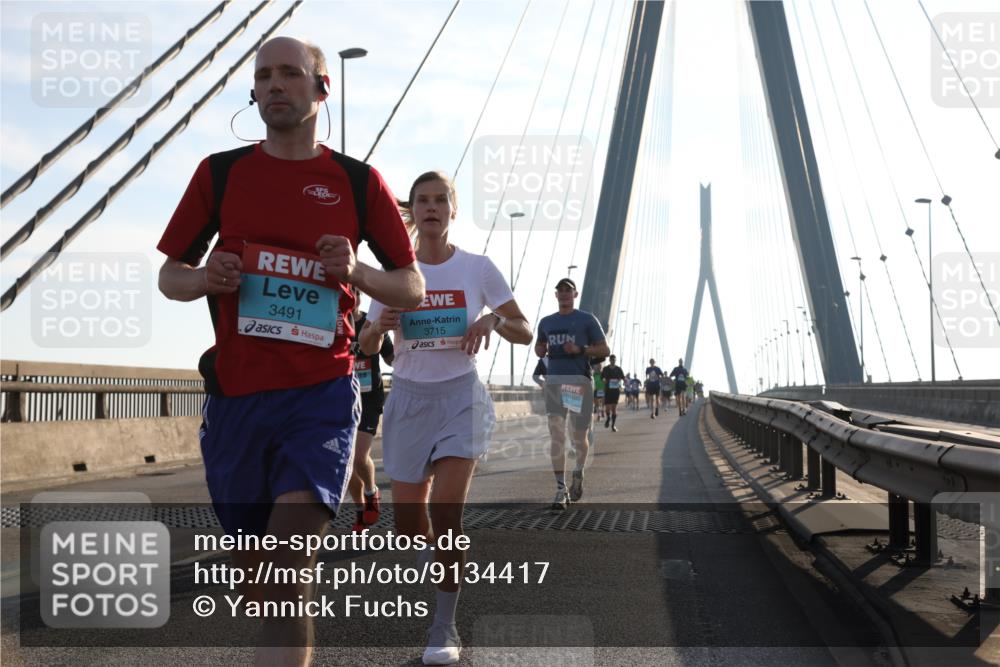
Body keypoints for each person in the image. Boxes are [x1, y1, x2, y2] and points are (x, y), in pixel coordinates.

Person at [157, 37, 424, 666]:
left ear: (320, 89)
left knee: (284, 569)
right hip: (236, 401)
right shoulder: (221, 174)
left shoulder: (357, 182)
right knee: (263, 583)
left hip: (321, 397)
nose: (276, 85)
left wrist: (356, 272)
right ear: (254, 92)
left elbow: (409, 286)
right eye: (264, 77)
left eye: (290, 75)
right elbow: (171, 275)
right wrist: (205, 278)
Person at [361, 171, 532, 665]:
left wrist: (493, 320)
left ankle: (444, 628)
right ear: (410, 211)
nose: (431, 208)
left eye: (441, 200)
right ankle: (434, 559)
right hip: (409, 401)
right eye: (422, 201)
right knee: (411, 528)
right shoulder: (394, 274)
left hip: (460, 396)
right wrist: (380, 327)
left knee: (448, 514)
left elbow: (523, 327)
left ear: (453, 210)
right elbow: (366, 346)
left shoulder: (478, 269)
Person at [536, 278, 611, 510]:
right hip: (555, 384)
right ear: (556, 295)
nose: (565, 294)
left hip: (578, 383)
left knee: (580, 438)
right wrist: (540, 349)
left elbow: (605, 350)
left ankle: (578, 469)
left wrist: (581, 350)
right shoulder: (546, 322)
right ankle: (561, 489)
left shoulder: (587, 319)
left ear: (575, 295)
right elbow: (540, 346)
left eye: (569, 291)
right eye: (561, 291)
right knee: (557, 436)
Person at [347, 287, 393, 533]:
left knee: (358, 456)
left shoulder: (370, 323)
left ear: (359, 297)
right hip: (341, 398)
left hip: (369, 399)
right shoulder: (332, 324)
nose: (351, 297)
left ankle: (371, 491)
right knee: (345, 462)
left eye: (355, 293)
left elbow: (393, 358)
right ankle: (360, 510)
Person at [600, 354, 626, 431]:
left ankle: (613, 426)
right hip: (607, 390)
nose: (613, 361)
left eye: (614, 360)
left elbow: (623, 378)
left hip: (615, 391)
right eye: (612, 360)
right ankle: (608, 418)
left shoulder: (618, 369)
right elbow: (602, 378)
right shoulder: (605, 369)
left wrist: (624, 382)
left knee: (614, 409)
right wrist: (605, 381)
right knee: (607, 409)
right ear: (610, 360)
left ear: (615, 360)